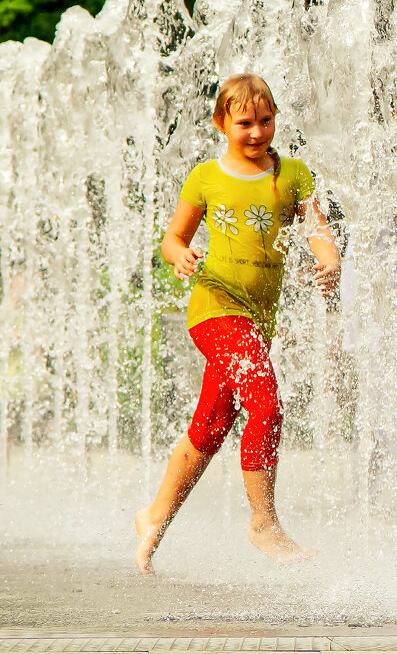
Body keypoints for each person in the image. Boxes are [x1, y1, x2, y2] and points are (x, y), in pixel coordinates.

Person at [135, 74, 340, 574]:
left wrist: (329, 257)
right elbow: (173, 239)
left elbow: (316, 229)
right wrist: (181, 256)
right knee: (266, 404)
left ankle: (153, 518)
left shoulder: (292, 174)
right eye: (244, 123)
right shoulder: (206, 177)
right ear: (221, 123)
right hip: (214, 308)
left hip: (256, 319)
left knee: (209, 427)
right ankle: (263, 521)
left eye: (265, 121)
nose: (256, 132)